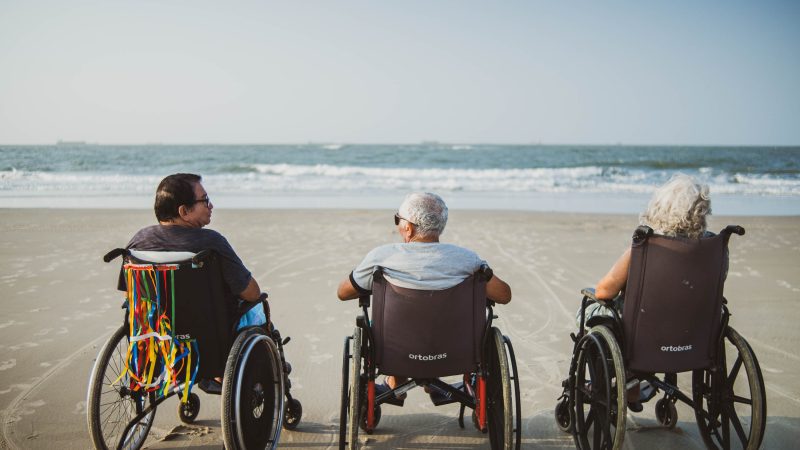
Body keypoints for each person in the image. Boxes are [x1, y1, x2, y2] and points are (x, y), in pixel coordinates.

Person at [337, 192, 512, 404]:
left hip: (394, 354)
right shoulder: (468, 259)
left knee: (391, 325)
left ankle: (397, 382)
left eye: (397, 220)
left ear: (408, 227)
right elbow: (503, 295)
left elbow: (343, 292)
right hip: (455, 353)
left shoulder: (382, 257)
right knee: (436, 323)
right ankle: (432, 377)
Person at [581, 173, 715, 411]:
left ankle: (620, 383)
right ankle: (632, 383)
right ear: (702, 211)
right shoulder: (713, 248)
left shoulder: (645, 246)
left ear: (660, 207)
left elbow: (604, 291)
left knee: (591, 308)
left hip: (644, 338)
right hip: (693, 337)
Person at [125, 173, 265, 392]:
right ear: (184, 211)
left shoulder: (138, 242)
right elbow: (251, 293)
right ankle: (227, 376)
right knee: (257, 308)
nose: (211, 205)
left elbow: (133, 292)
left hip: (158, 342)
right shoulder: (210, 242)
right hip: (208, 347)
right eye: (205, 200)